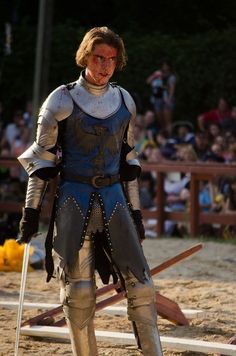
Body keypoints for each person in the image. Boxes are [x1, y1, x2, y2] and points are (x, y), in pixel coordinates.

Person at [17, 26, 163, 356]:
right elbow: (41, 161)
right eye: (99, 58)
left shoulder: (124, 100)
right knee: (80, 294)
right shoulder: (62, 99)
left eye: (111, 59)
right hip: (74, 199)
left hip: (114, 201)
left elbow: (129, 163)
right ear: (86, 56)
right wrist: (30, 214)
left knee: (142, 287)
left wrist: (137, 213)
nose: (105, 65)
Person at [146, 59, 177, 134]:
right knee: (160, 119)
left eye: (166, 65)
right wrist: (154, 76)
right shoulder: (157, 74)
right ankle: (163, 134)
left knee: (167, 120)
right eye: (163, 65)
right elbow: (148, 82)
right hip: (157, 99)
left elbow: (172, 88)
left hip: (166, 98)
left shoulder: (171, 76)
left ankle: (169, 135)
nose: (165, 67)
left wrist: (169, 99)